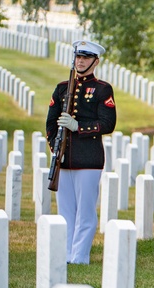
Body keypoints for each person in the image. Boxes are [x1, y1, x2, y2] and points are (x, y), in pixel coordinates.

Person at [46, 39, 116, 265]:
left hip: (88, 158)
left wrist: (79, 127)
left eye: (86, 57)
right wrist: (55, 149)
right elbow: (50, 123)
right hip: (64, 159)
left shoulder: (102, 89)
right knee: (65, 211)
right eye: (78, 57)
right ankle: (66, 254)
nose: (81, 61)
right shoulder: (61, 88)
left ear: (96, 62)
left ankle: (80, 256)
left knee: (85, 212)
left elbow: (108, 123)